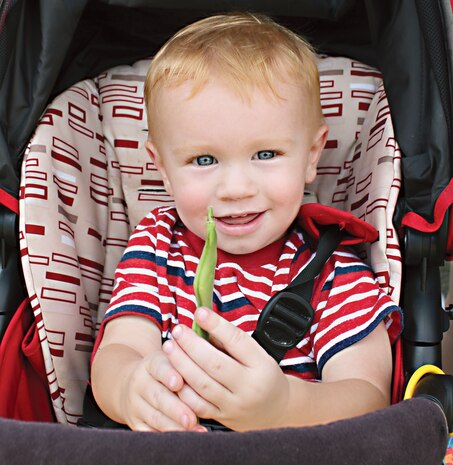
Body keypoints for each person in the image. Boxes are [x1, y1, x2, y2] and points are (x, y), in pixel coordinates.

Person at [90, 12, 402, 433]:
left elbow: (367, 396)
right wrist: (130, 388)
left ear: (312, 155)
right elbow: (119, 349)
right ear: (162, 169)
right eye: (204, 160)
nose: (236, 188)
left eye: (266, 154)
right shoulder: (156, 247)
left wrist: (284, 405)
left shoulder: (332, 270)